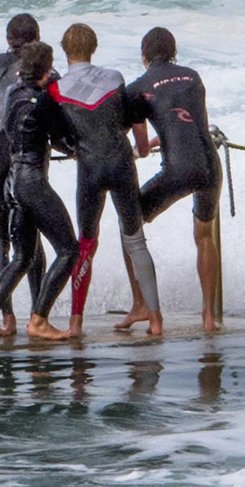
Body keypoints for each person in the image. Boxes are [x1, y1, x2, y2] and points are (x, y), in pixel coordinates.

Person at [48, 23, 157, 337]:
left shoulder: (56, 89)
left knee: (86, 244)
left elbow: (58, 134)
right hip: (122, 162)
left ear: (65, 51)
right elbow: (123, 119)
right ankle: (155, 318)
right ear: (93, 48)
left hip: (90, 168)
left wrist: (73, 148)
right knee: (134, 237)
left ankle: (75, 323)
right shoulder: (114, 78)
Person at [122, 26, 223, 335]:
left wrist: (142, 149)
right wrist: (158, 142)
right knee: (204, 235)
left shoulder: (138, 87)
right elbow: (186, 122)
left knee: (130, 224)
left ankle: (141, 304)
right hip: (209, 165)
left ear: (144, 57)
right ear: (174, 51)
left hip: (177, 170)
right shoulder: (192, 77)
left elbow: (139, 145)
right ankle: (208, 317)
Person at [0, 41, 80, 341]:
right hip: (33, 181)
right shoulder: (45, 99)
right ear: (47, 70)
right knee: (68, 250)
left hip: (12, 181)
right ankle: (39, 320)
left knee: (22, 256)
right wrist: (80, 149)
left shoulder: (11, 93)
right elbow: (63, 140)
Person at [0, 14, 47, 334]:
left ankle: (7, 318)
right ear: (37, 39)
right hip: (29, 157)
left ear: (8, 39)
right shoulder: (44, 71)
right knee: (32, 241)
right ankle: (37, 314)